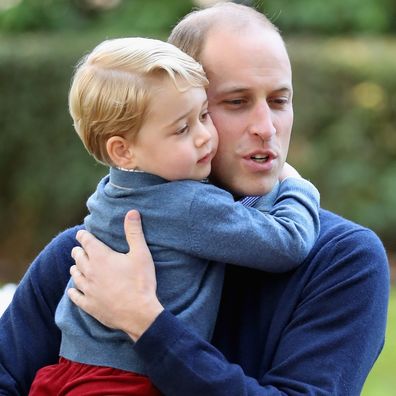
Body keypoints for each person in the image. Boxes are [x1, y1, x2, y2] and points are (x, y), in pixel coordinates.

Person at [0, 2, 390, 395]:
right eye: (235, 102)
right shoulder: (91, 258)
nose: (265, 127)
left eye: (278, 100)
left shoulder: (343, 260)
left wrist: (146, 323)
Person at [28, 36, 320, 395]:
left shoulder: (112, 192)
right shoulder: (189, 204)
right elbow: (286, 242)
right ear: (123, 151)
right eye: (182, 129)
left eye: (202, 116)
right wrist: (297, 185)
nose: (203, 138)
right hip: (124, 382)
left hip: (69, 371)